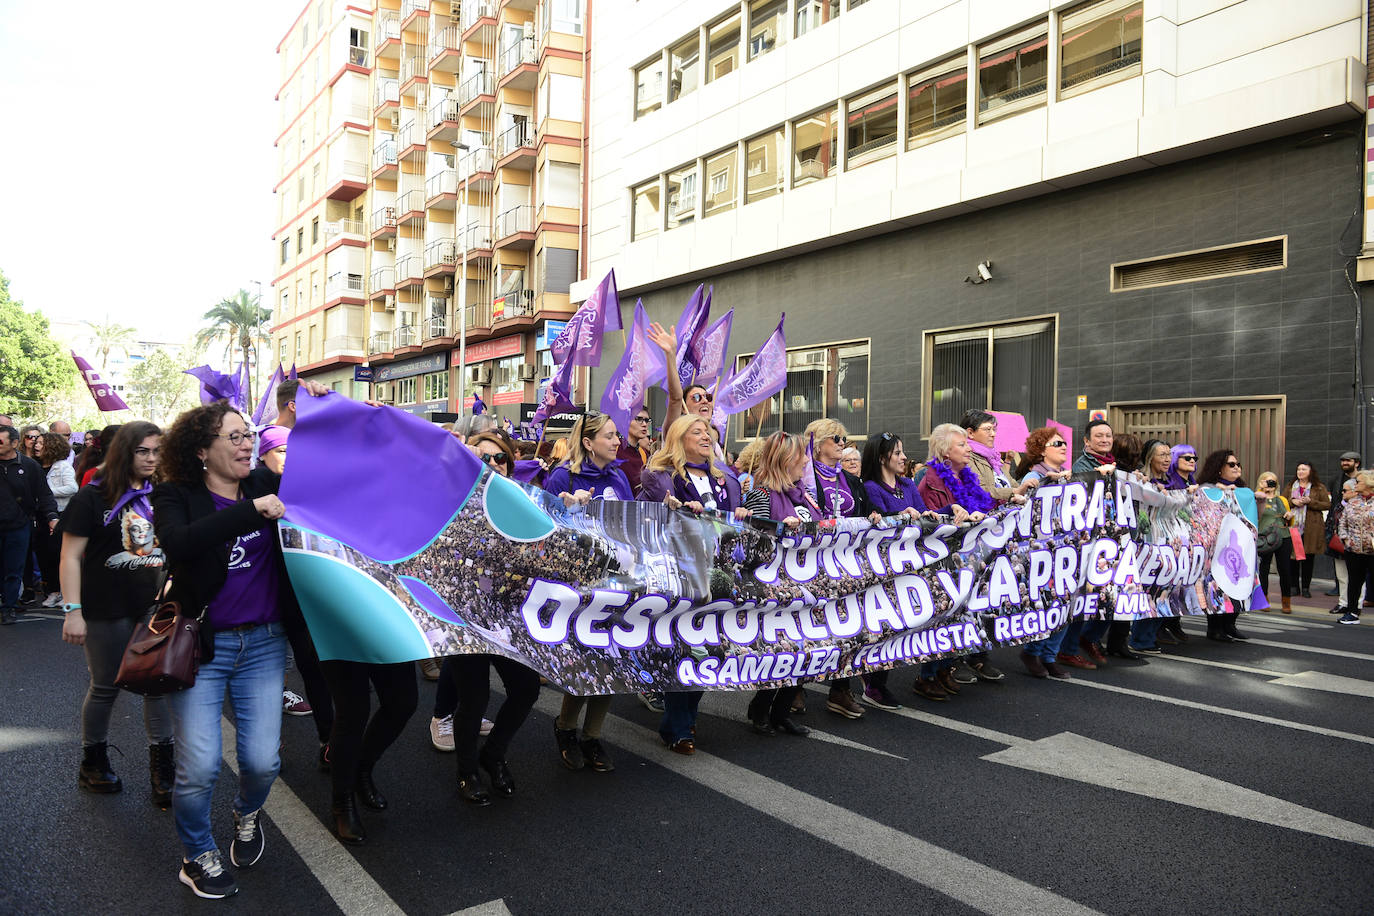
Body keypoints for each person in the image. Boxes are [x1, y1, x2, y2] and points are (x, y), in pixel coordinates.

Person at [152, 402, 296, 898]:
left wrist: (321, 405)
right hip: (201, 647)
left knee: (262, 763)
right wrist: (249, 511)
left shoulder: (264, 483)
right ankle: (196, 854)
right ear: (201, 451)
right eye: (233, 437)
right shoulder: (175, 494)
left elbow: (331, 477)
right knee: (199, 768)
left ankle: (246, 812)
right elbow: (179, 543)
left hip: (264, 643)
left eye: (248, 435)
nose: (245, 444)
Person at [59, 422, 174, 805]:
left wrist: (172, 585)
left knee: (156, 686)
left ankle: (163, 771)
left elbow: (175, 544)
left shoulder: (163, 495)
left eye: (157, 451)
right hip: (103, 609)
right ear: (125, 451)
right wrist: (73, 611)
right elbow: (70, 557)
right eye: (144, 451)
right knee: (106, 687)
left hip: (151, 608)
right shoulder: (91, 498)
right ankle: (93, 763)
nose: (152, 458)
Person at [641, 416, 750, 754]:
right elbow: (664, 505)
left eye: (708, 432)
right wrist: (680, 508)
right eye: (697, 431)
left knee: (714, 650)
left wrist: (741, 516)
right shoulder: (659, 475)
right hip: (680, 573)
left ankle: (684, 715)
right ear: (678, 437)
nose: (706, 436)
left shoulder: (726, 479)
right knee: (684, 648)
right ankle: (679, 725)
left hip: (719, 574)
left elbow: (733, 520)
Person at [543, 413, 633, 773]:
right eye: (610, 436)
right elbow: (544, 527)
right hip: (579, 584)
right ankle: (566, 727)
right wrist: (567, 509)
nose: (616, 442)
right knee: (585, 660)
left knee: (612, 659)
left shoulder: (619, 476)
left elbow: (633, 523)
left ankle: (592, 736)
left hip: (618, 581)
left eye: (617, 437)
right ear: (588, 442)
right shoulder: (563, 476)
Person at [858, 432, 944, 705]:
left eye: (903, 452)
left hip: (910, 565)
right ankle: (874, 683)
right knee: (885, 626)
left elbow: (919, 513)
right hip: (885, 567)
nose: (904, 457)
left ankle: (879, 678)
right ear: (882, 458)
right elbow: (879, 525)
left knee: (902, 625)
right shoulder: (871, 488)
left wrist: (928, 515)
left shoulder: (907, 484)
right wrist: (900, 516)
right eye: (897, 453)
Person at [804, 418, 879, 718]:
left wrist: (872, 517)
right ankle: (792, 691)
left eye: (844, 438)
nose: (842, 443)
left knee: (849, 626)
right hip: (811, 564)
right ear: (817, 442)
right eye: (836, 438)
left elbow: (864, 512)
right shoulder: (804, 477)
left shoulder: (852, 480)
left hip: (845, 565)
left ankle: (841, 690)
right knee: (806, 629)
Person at [741, 431, 814, 736]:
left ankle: (781, 711)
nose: (806, 460)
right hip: (776, 586)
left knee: (807, 649)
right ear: (786, 460)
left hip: (807, 582)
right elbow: (754, 544)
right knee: (780, 652)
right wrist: (781, 531)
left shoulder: (803, 495)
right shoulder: (762, 495)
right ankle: (762, 707)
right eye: (801, 455)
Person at [1013, 427, 1076, 679]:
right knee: (1046, 603)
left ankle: (1050, 655)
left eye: (1064, 443)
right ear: (1041, 450)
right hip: (1041, 551)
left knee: (1065, 602)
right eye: (1057, 443)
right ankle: (1034, 651)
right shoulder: (1033, 477)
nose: (1063, 447)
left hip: (1066, 548)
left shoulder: (1066, 475)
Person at [1, 425, 58, 626]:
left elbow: (44, 495)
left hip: (18, 524)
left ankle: (8, 607)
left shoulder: (30, 466)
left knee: (14, 567)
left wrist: (52, 517)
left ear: (14, 443)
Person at [1196, 449, 1252, 641]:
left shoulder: (1243, 490)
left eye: (1238, 464)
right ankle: (1215, 628)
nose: (1236, 467)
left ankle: (1230, 624)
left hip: (1240, 545)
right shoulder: (1207, 489)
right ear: (1219, 468)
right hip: (1217, 547)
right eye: (1231, 464)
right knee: (1218, 587)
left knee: (1238, 585)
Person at [36, 432, 77, 607]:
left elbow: (72, 487)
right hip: (40, 515)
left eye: (40, 443)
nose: (36, 445)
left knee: (57, 554)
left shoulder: (62, 467)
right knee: (43, 554)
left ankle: (62, 592)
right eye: (36, 442)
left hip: (60, 514)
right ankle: (52, 590)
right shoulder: (35, 466)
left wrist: (46, 493)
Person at [960, 410, 1035, 505]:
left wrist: (1024, 488)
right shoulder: (966, 457)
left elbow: (1011, 482)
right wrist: (1014, 492)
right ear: (970, 433)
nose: (993, 434)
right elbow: (980, 490)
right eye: (988, 429)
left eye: (994, 429)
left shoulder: (994, 457)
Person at [1284, 461, 1330, 599]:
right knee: (1292, 558)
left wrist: (1311, 502)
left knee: (1308, 558)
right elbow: (1282, 501)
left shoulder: (1319, 487)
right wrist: (1293, 502)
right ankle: (1294, 587)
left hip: (1311, 528)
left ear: (1310, 471)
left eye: (1304, 469)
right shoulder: (1291, 486)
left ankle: (1305, 587)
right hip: (1293, 526)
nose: (1300, 472)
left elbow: (1327, 504)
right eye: (1298, 469)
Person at [1336, 470, 1374, 625]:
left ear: (1369, 483)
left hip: (1372, 550)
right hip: (1354, 550)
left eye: (1358, 482)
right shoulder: (1353, 502)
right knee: (1354, 581)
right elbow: (1342, 523)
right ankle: (1352, 613)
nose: (1355, 484)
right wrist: (1346, 540)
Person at [1254, 471, 1294, 612]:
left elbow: (1289, 518)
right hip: (1265, 537)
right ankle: (1264, 599)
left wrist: (1289, 515)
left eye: (1273, 481)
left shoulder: (1281, 499)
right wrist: (1262, 493)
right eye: (1266, 481)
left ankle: (1286, 601)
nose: (1270, 484)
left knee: (1284, 569)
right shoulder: (1258, 497)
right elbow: (1256, 515)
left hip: (1283, 535)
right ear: (1261, 482)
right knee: (1264, 569)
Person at [1327, 479, 1359, 613]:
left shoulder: (1360, 506)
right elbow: (1331, 522)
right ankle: (1343, 603)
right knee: (1342, 576)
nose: (1342, 493)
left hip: (1355, 546)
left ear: (1354, 491)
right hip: (1339, 545)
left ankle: (1357, 605)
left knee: (1356, 577)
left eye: (1345, 490)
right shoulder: (1339, 505)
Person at [616, 408, 654, 495]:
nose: (644, 424)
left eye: (647, 420)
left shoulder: (643, 454)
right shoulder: (615, 448)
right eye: (639, 419)